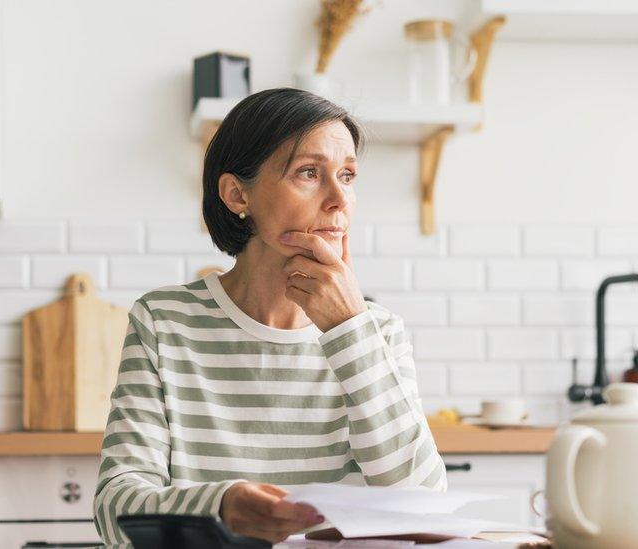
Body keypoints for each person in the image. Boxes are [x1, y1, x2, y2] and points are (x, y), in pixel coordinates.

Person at [93, 88, 447, 545]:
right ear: (237, 193)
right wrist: (219, 507)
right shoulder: (164, 322)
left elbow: (423, 508)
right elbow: (114, 508)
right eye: (308, 172)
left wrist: (349, 330)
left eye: (348, 175)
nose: (340, 199)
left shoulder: (376, 332)